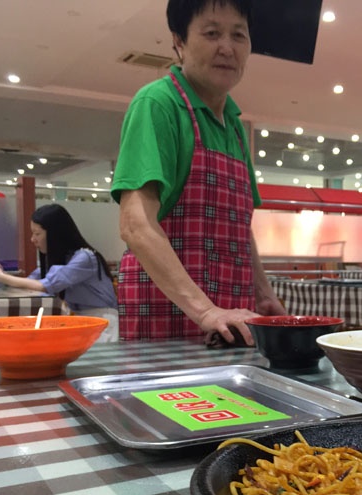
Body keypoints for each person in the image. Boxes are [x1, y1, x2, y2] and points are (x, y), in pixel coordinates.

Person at [111, 0, 285, 346]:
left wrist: (263, 294)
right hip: (165, 318)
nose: (227, 47)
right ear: (179, 41)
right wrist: (206, 312)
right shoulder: (158, 104)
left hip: (230, 318)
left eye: (239, 35)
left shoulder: (235, 126)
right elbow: (135, 224)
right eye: (211, 33)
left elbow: (238, 226)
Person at [0, 204, 119, 342]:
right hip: (79, 320)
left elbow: (45, 285)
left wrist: (1, 277)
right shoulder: (60, 258)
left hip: (101, 322)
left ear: (55, 234)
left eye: (37, 234)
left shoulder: (85, 257)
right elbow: (29, 283)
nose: (32, 239)